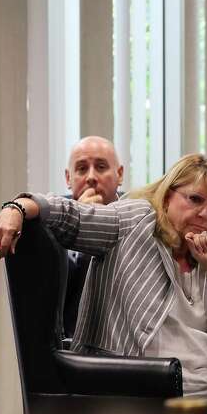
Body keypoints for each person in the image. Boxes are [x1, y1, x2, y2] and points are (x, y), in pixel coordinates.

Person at [0, 154, 207, 414]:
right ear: (167, 195)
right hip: (143, 395)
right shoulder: (134, 221)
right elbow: (71, 216)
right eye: (195, 199)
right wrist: (16, 208)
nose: (205, 214)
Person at [63, 135, 124, 336]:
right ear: (68, 178)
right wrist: (81, 223)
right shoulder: (53, 222)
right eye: (81, 169)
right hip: (72, 341)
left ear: (120, 174)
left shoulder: (140, 217)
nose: (91, 177)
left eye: (101, 167)